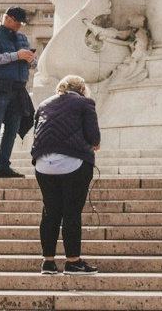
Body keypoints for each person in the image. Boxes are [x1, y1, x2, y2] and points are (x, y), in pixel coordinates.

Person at [32, 74, 102, 276]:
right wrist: (93, 145)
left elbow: (38, 132)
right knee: (71, 212)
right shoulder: (85, 103)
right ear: (81, 88)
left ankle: (48, 262)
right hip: (73, 162)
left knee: (50, 212)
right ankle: (73, 262)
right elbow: (94, 137)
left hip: (43, 164)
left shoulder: (44, 104)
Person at [0, 6, 37, 178]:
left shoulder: (23, 38)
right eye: (18, 22)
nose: (20, 26)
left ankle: (4, 166)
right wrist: (15, 56)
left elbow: (34, 64)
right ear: (7, 18)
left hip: (18, 89)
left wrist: (31, 60)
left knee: (12, 131)